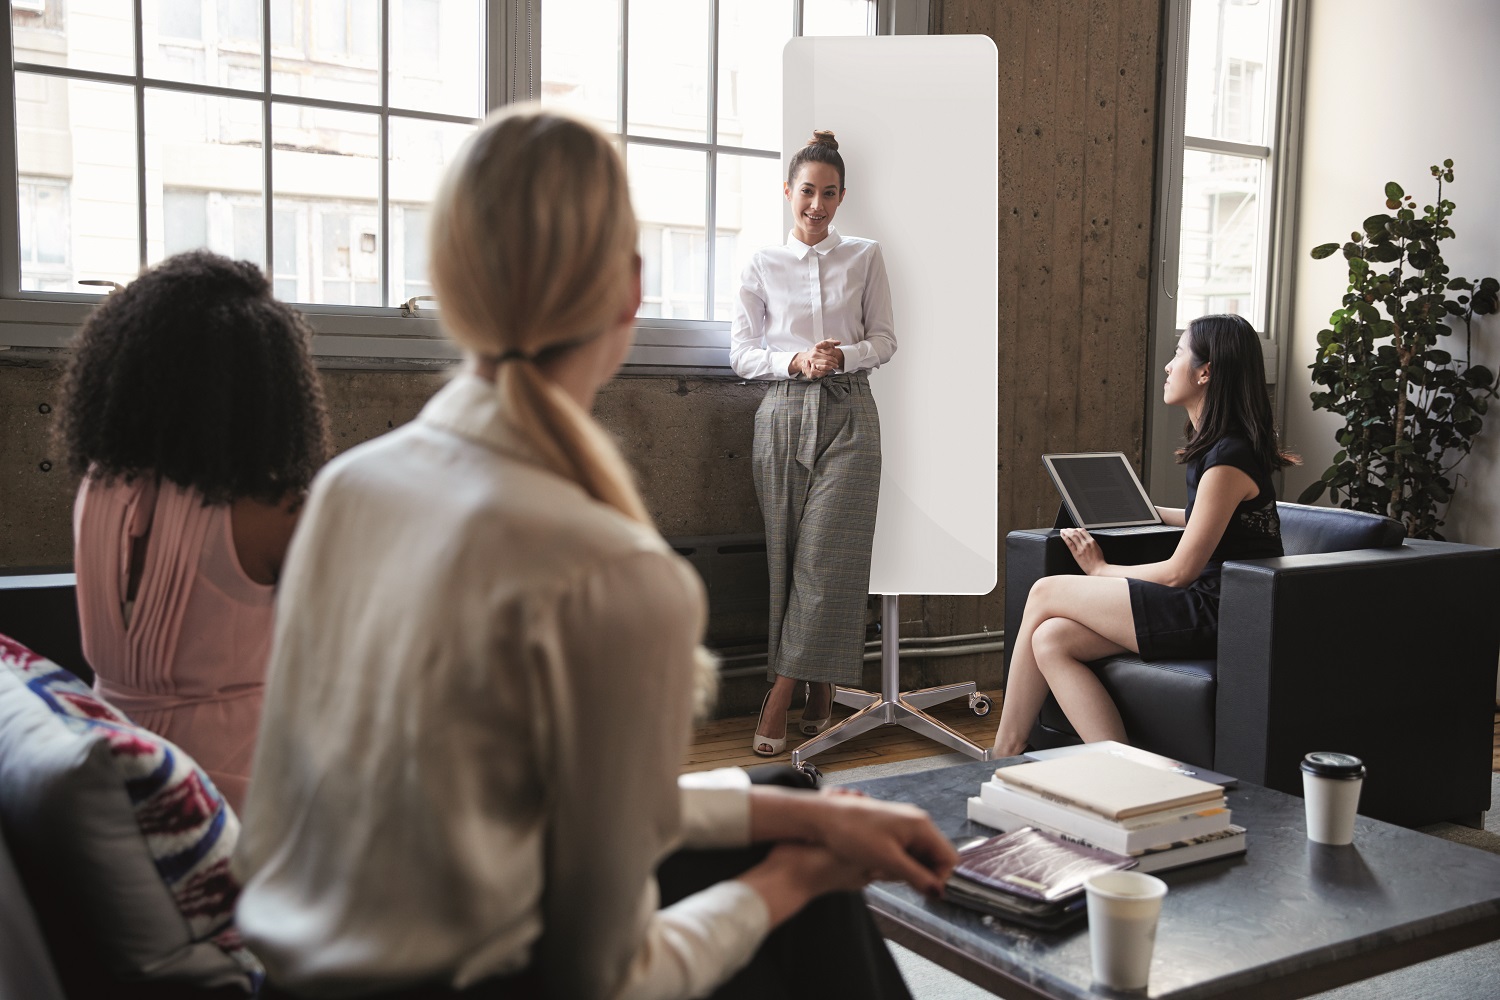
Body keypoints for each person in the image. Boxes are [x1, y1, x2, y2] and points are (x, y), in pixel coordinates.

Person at [232, 105, 955, 1000]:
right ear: (629, 291)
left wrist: (792, 811)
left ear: (451, 283)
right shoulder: (616, 576)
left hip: (280, 981)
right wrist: (795, 878)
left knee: (798, 822)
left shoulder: (345, 493)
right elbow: (611, 980)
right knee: (819, 916)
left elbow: (571, 811)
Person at [58, 250, 328, 813]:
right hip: (235, 799)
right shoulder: (271, 513)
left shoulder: (99, 489)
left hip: (117, 775)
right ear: (271, 387)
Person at [992, 314, 1296, 756]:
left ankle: (1003, 752)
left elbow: (1179, 572)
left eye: (1178, 354)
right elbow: (1205, 524)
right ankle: (1125, 771)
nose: (1170, 367)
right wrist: (1144, 511)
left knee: (1044, 593)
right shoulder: (1220, 448)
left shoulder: (1229, 457)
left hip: (1215, 609)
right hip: (1208, 600)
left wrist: (1101, 570)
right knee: (1051, 638)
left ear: (1206, 371)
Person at [730, 129, 896, 756]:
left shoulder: (866, 256)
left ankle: (780, 693)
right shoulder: (760, 263)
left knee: (829, 558)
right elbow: (742, 353)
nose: (817, 205)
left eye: (829, 194)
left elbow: (884, 339)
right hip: (781, 412)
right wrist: (798, 361)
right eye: (807, 191)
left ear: (842, 196)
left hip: (851, 412)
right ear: (788, 191)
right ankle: (820, 691)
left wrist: (842, 355)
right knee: (788, 558)